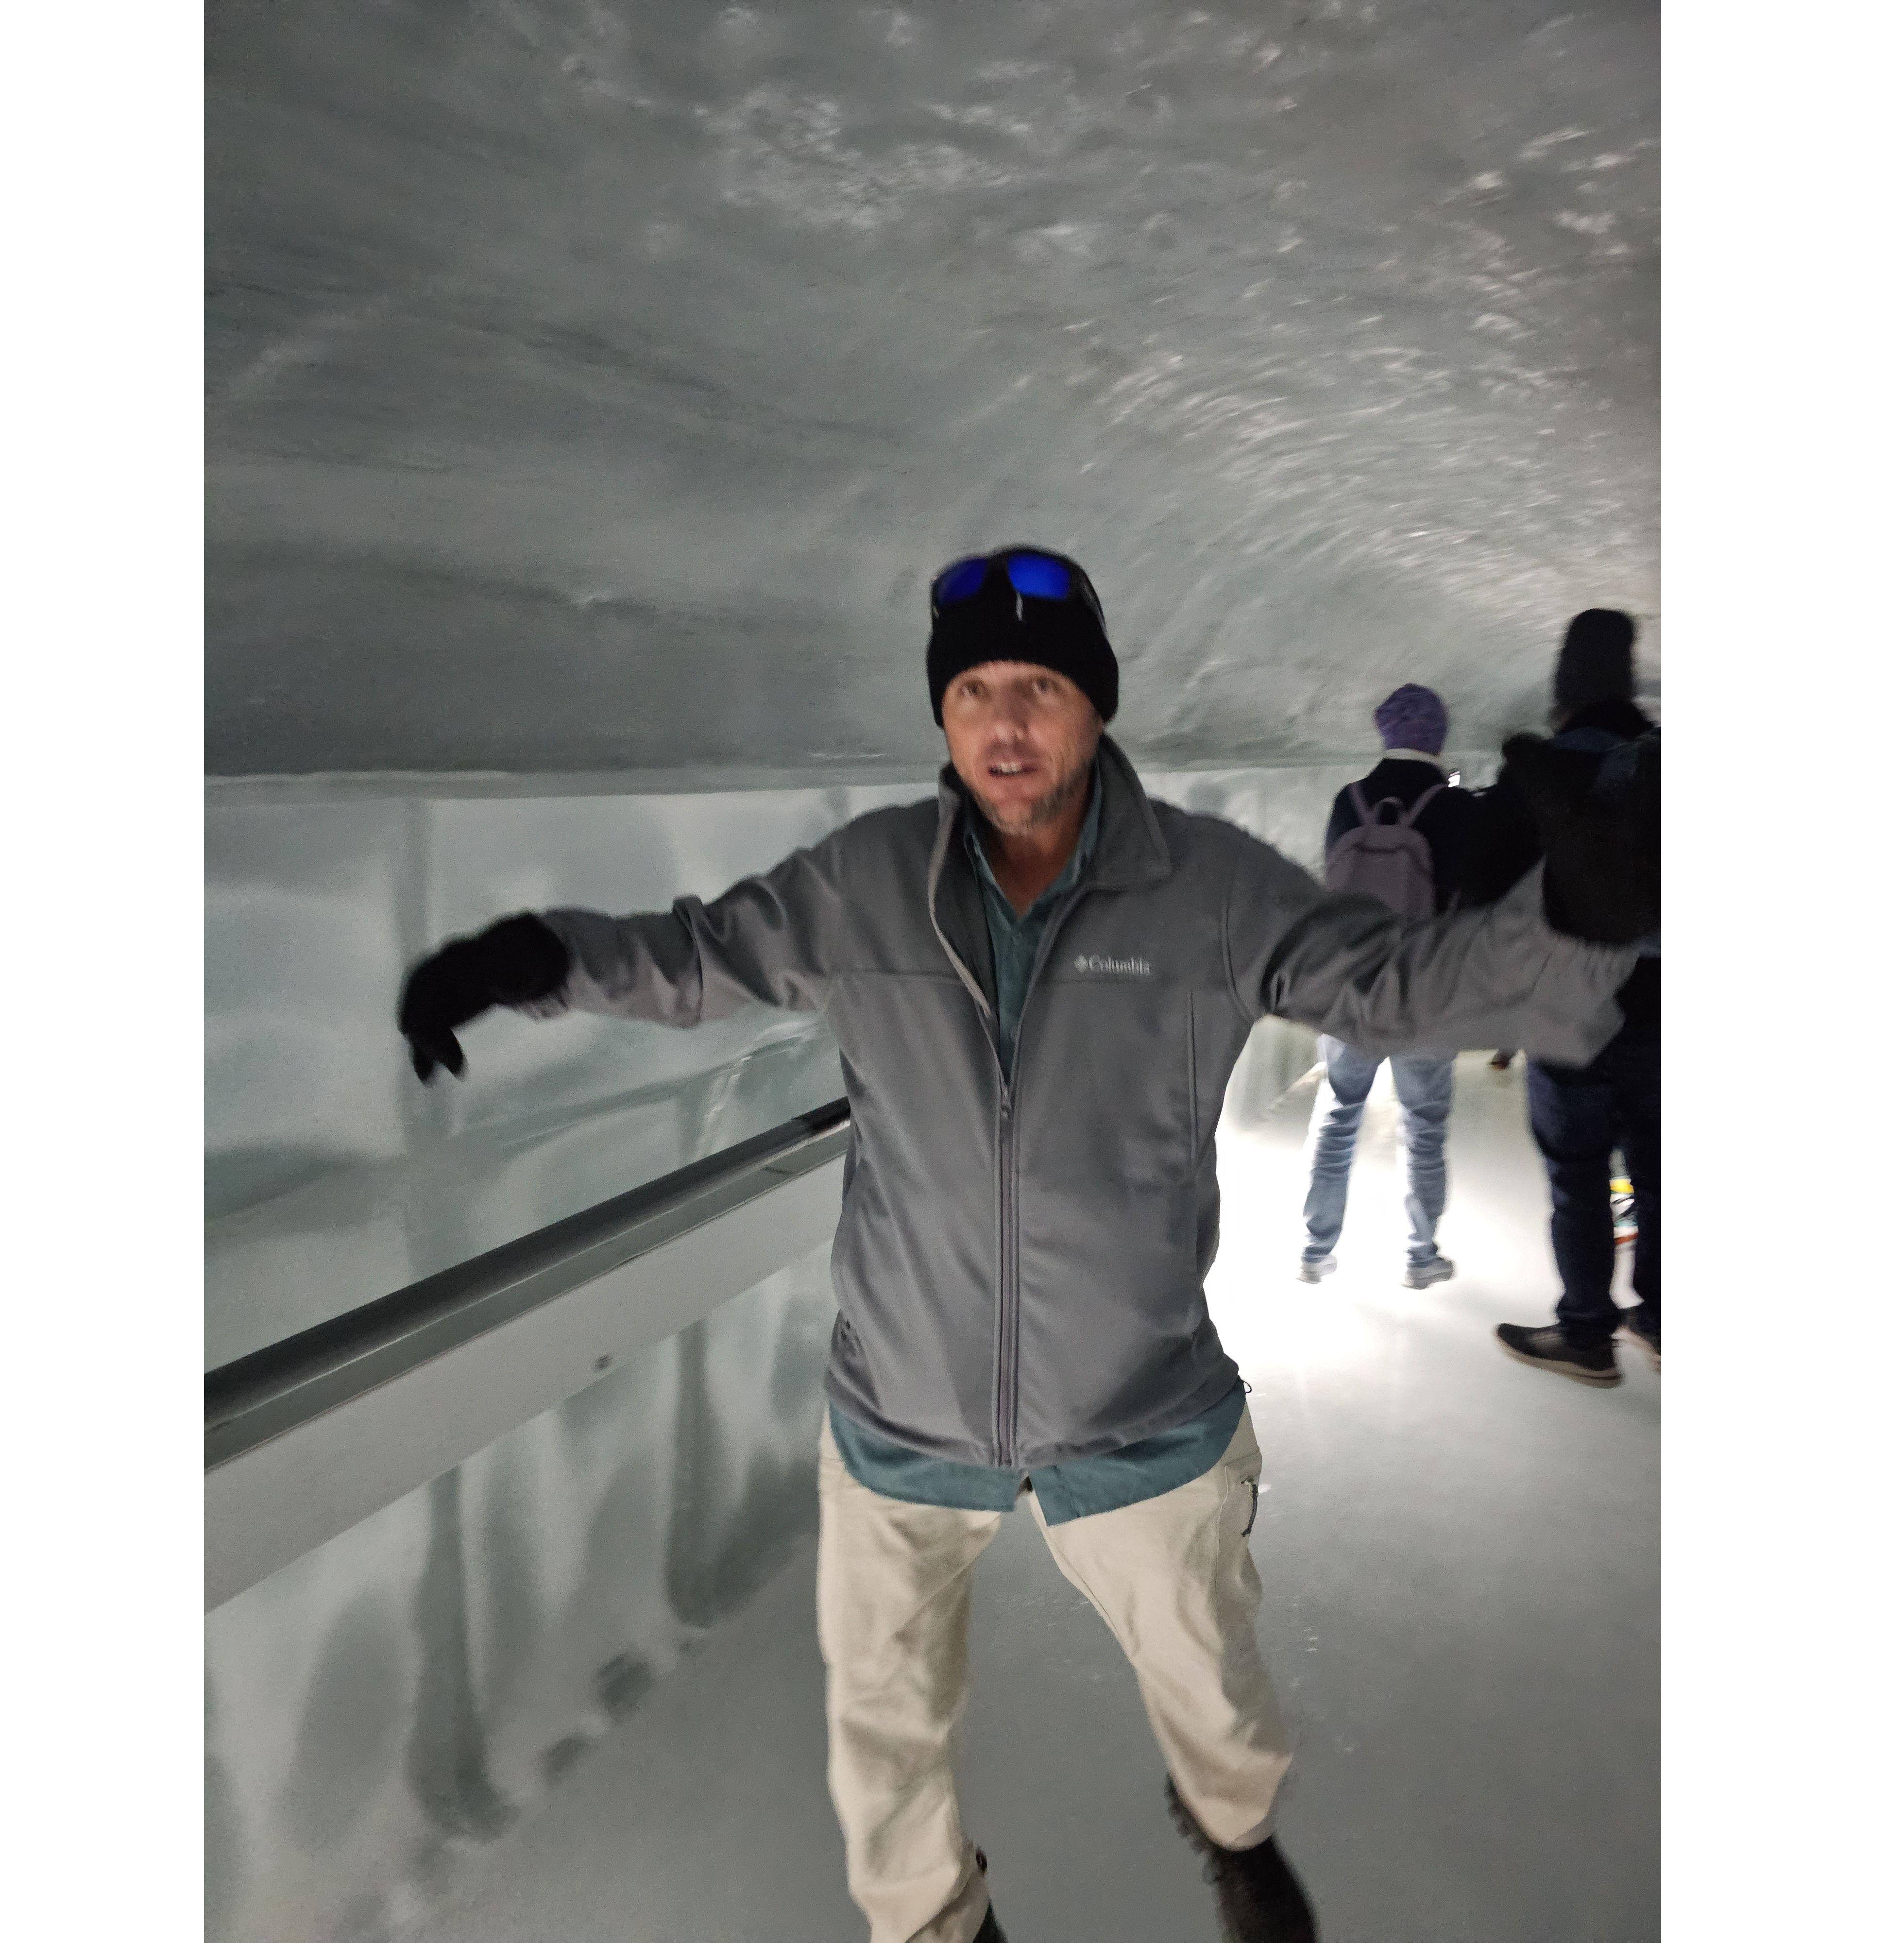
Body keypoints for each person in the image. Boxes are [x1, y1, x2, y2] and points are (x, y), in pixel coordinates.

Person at [396, 549, 1651, 1943]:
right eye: (977, 691)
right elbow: (696, 956)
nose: (1005, 723)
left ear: (1094, 709)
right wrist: (528, 957)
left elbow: (1404, 986)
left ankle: (1234, 1829)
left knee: (1218, 1691)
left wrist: (1577, 928)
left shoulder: (1211, 891)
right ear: (943, 716)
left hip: (1138, 1406)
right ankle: (937, 1923)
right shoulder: (866, 884)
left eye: (1040, 689)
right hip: (902, 1407)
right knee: (883, 1729)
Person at [1465, 609, 1661, 1386]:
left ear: (1562, 693)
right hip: (1672, 1009)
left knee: (1578, 1172)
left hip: (1568, 1008)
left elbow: (1478, 897)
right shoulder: (1669, 769)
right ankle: (1669, 1318)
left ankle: (1587, 1334)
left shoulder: (1534, 778)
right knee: (1666, 1165)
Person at [1298, 684, 1480, 1290]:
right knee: (1424, 1123)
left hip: (1350, 989)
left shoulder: (1347, 801)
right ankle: (1420, 1255)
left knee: (1338, 1113)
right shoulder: (1458, 811)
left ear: (1385, 733)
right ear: (1437, 736)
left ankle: (1315, 1248)